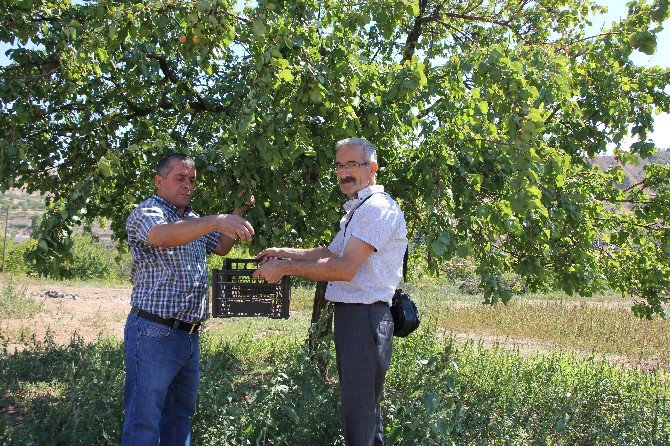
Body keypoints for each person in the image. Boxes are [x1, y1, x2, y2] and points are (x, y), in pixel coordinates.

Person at [253, 138, 407, 446]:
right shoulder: (359, 209)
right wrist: (282, 253)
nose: (344, 172)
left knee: (358, 414)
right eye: (340, 165)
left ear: (372, 168)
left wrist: (283, 268)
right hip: (355, 318)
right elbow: (327, 253)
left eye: (353, 165)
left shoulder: (377, 209)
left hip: (365, 317)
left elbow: (344, 268)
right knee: (365, 413)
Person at [122, 153, 254, 445]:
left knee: (178, 417)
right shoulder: (148, 212)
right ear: (159, 181)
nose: (187, 185)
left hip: (188, 335)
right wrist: (218, 219)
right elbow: (161, 236)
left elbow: (220, 246)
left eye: (192, 180)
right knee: (143, 420)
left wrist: (238, 212)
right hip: (153, 332)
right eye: (180, 178)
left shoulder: (192, 219)